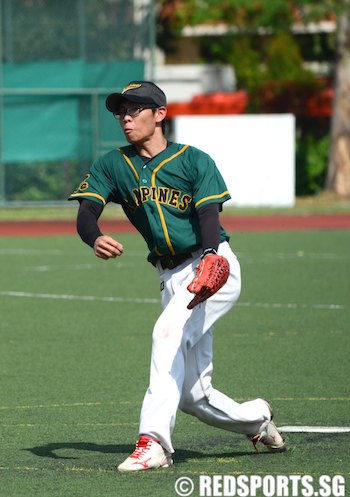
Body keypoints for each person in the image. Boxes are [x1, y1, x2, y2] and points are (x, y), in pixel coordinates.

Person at [68, 81, 286, 472]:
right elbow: (86, 212)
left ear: (160, 114)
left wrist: (208, 257)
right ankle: (256, 418)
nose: (126, 117)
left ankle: (153, 444)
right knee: (193, 395)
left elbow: (208, 216)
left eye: (135, 108)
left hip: (213, 266)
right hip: (170, 277)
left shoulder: (193, 160)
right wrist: (94, 237)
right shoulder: (113, 164)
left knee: (165, 334)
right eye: (121, 111)